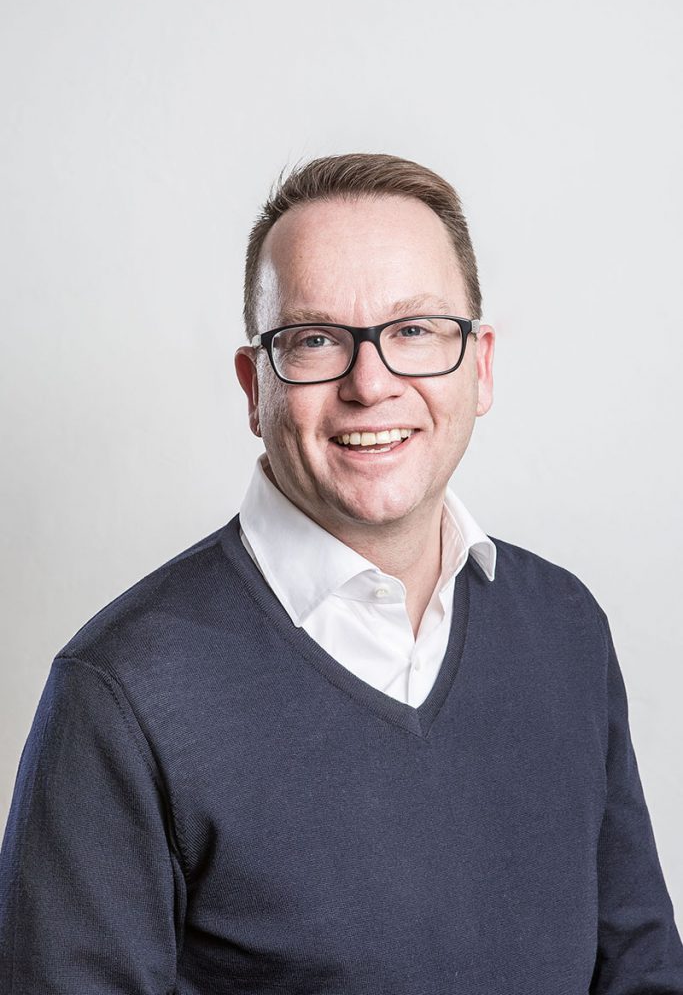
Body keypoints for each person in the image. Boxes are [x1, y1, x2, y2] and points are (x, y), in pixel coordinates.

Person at [1, 153, 681, 994]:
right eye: (315, 339)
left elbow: (641, 969)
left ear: (480, 367)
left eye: (414, 331)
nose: (371, 383)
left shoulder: (563, 626)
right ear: (254, 388)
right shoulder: (122, 693)